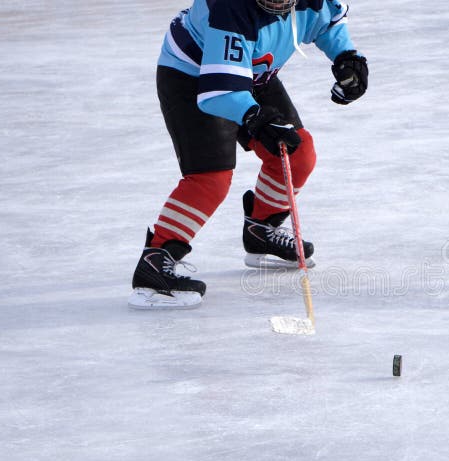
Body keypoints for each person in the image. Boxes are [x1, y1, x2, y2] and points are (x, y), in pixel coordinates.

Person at [128, 0, 368, 309]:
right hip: (193, 74)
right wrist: (255, 117)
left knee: (297, 152)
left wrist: (346, 57)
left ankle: (261, 230)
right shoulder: (230, 8)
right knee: (210, 179)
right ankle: (154, 263)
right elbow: (220, 93)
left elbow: (327, 22)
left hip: (252, 71)